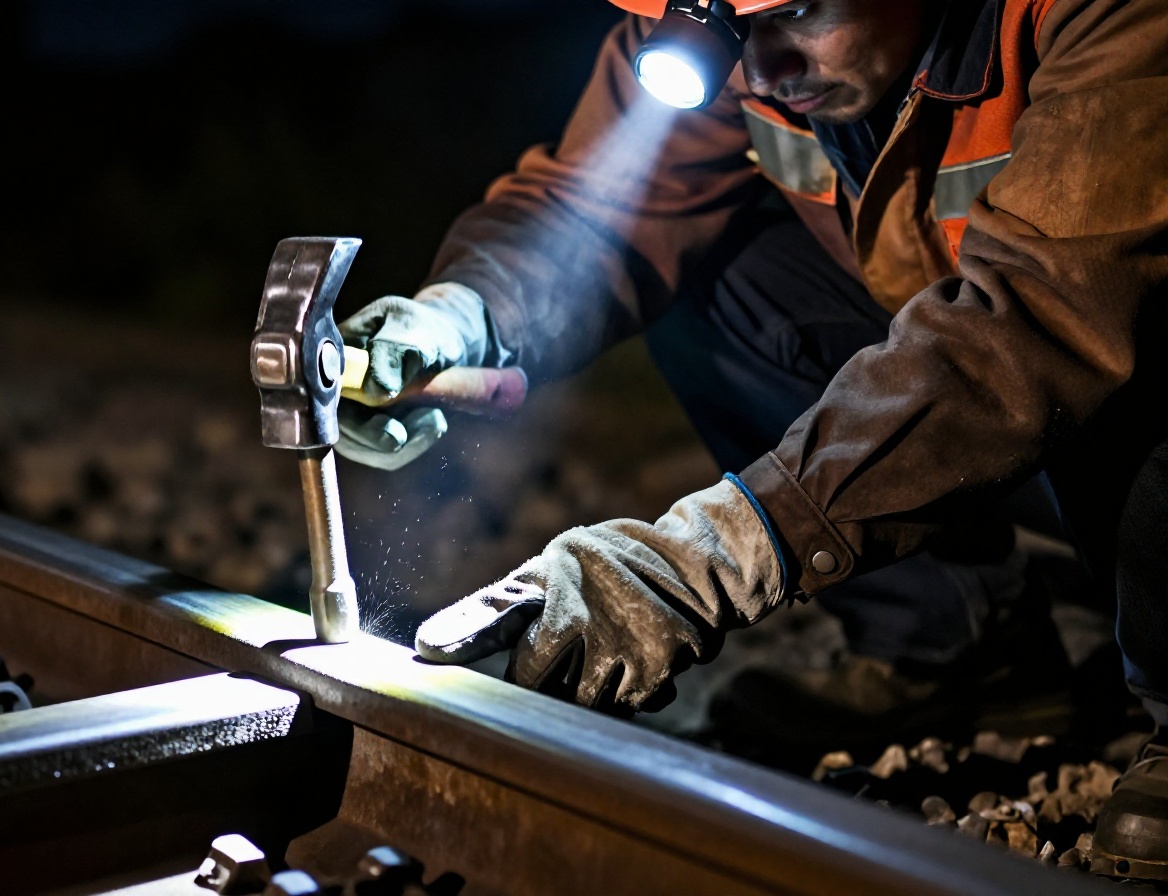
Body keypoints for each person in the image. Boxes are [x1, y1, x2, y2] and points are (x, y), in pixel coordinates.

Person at [335, 0, 1168, 878]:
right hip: (976, 390)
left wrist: (715, 554)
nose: (761, 70)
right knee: (713, 273)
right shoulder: (730, 40)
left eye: (799, 11)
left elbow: (1040, 319)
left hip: (1091, 372)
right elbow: (597, 207)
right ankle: (961, 649)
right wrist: (462, 315)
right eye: (729, 27)